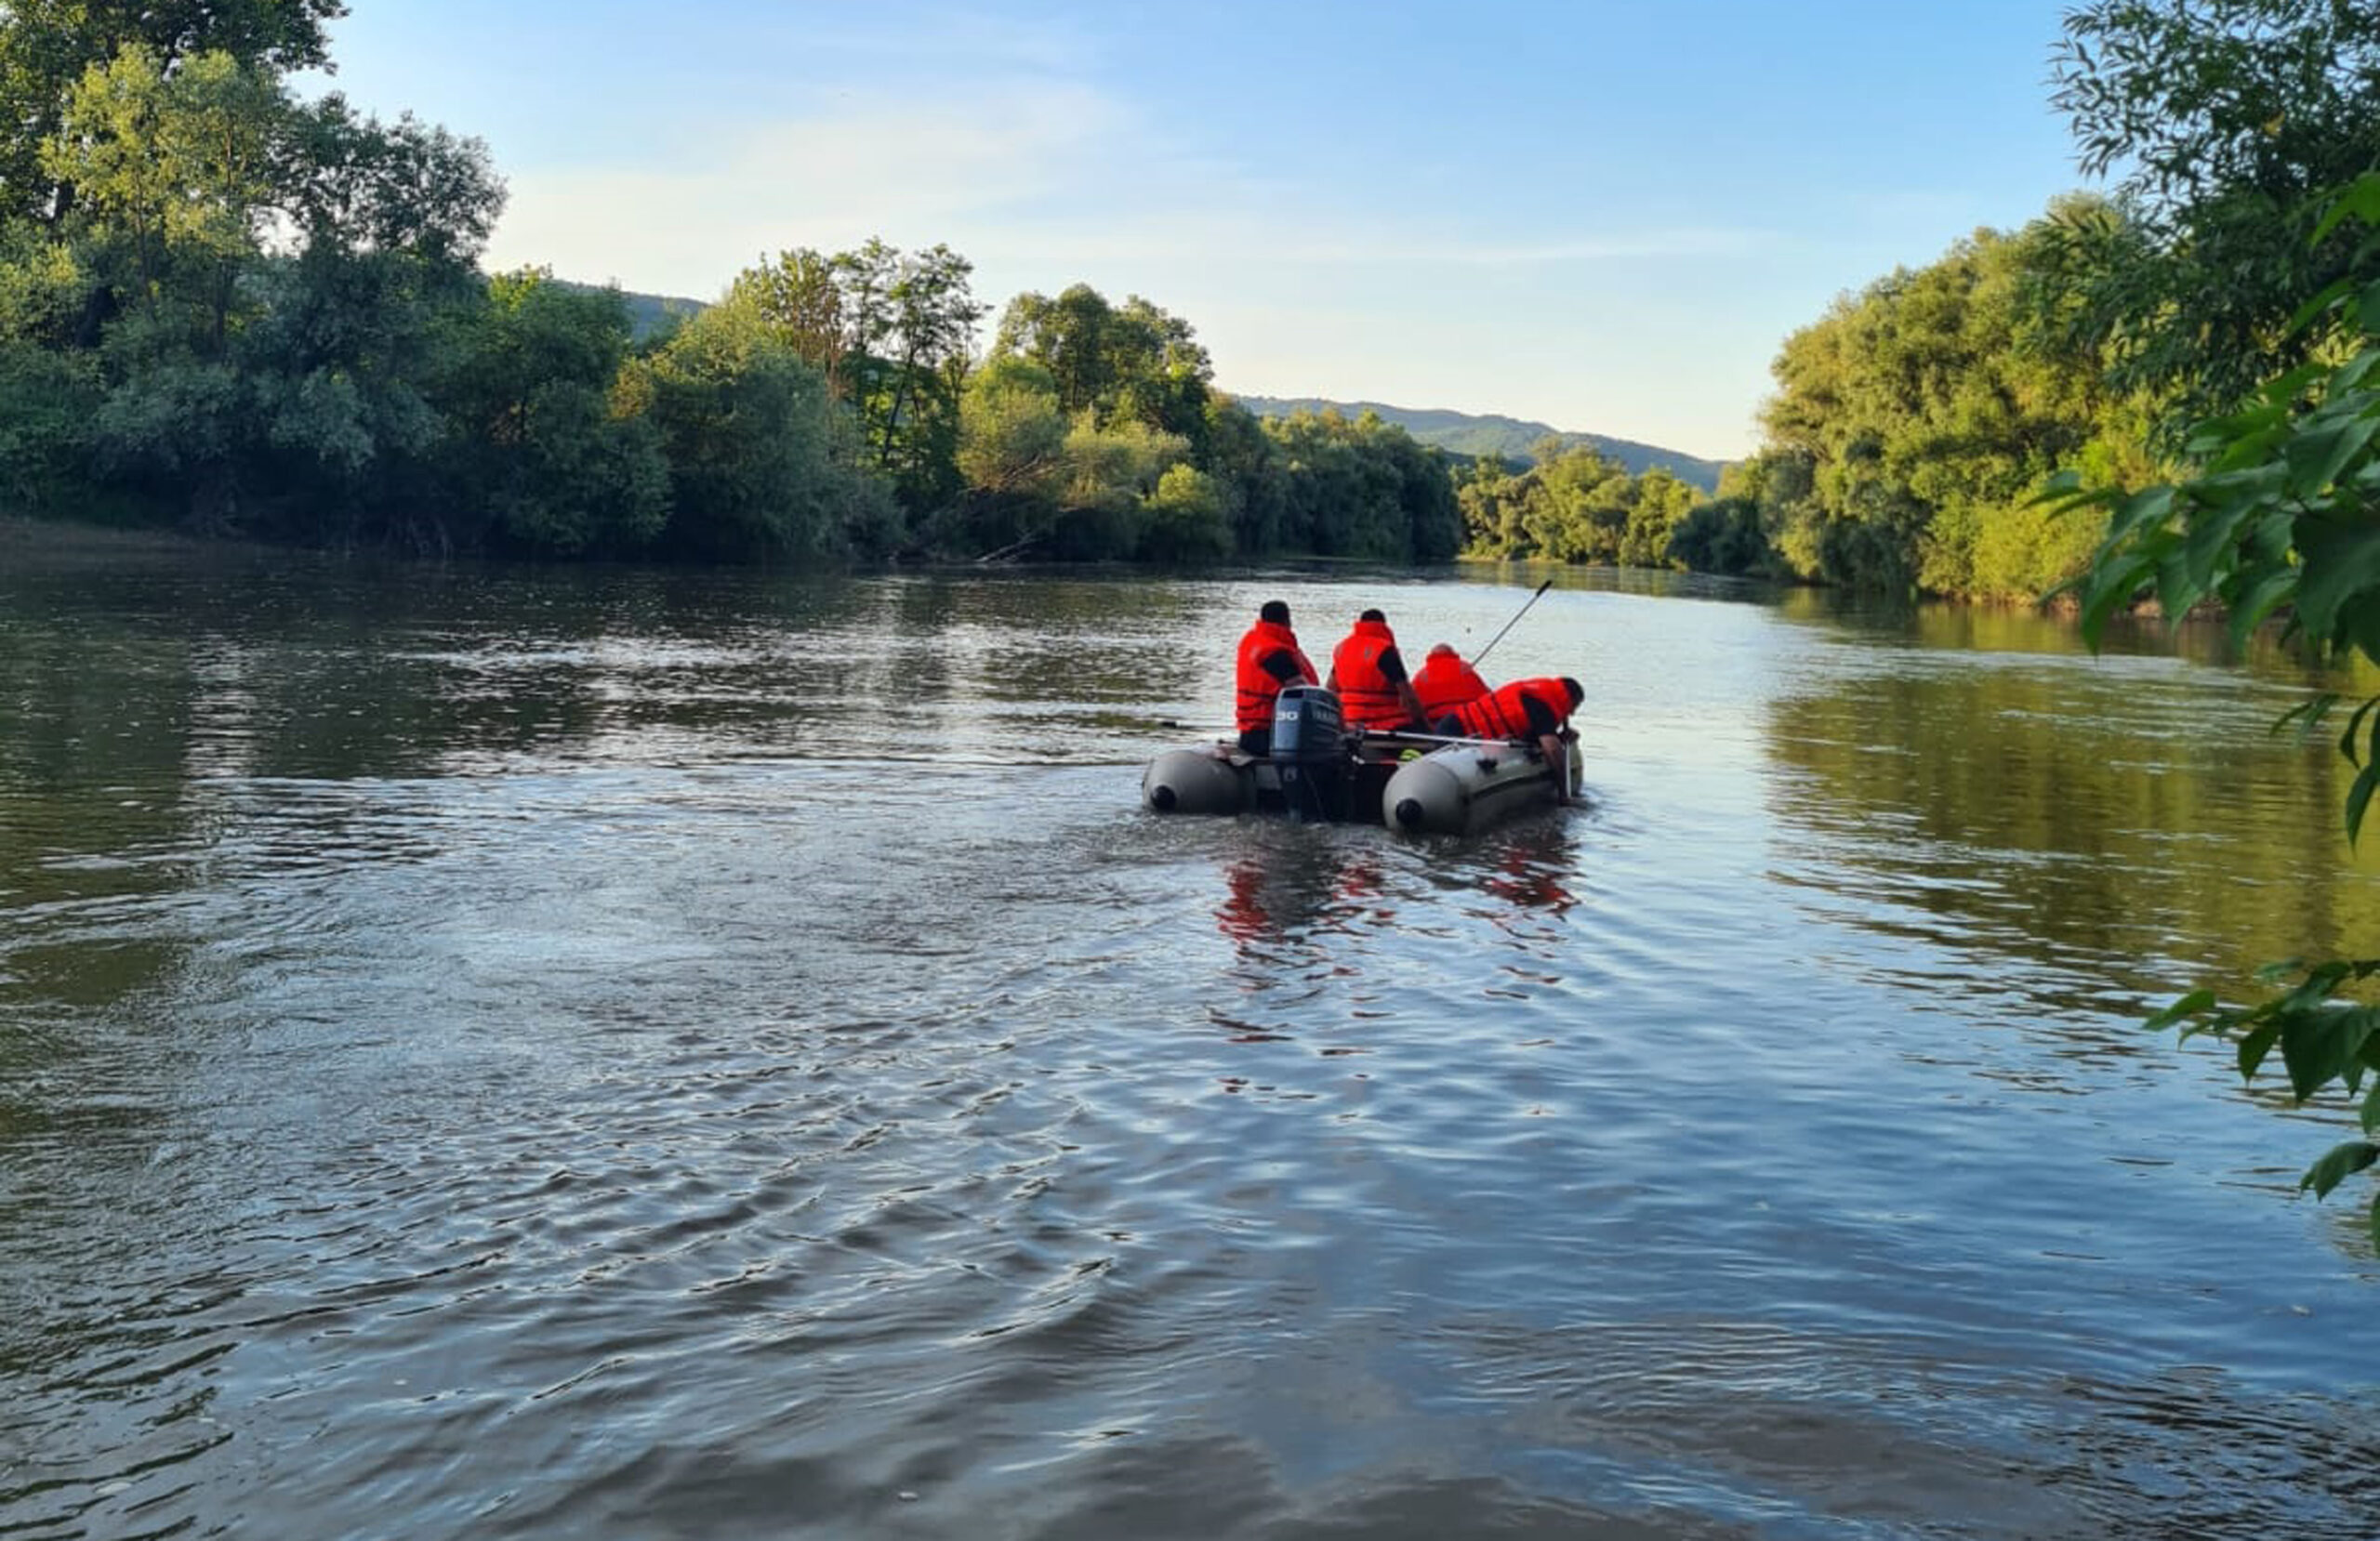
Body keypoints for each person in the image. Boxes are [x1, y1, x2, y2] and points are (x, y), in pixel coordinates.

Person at [1438, 676, 1585, 804]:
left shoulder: (1539, 695)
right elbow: (1552, 749)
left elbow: (1535, 738)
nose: (1572, 713)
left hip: (1455, 724)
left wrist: (1560, 737)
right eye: (1574, 707)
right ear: (1568, 699)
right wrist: (1564, 793)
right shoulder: (1542, 705)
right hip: (1457, 730)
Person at [1234, 599, 1317, 755]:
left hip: (1249, 729)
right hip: (1274, 731)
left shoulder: (1250, 641)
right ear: (1287, 621)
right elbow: (1301, 688)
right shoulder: (1274, 651)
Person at [1325, 608, 1427, 731]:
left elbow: (1330, 689)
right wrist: (1425, 724)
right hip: (1385, 723)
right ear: (1384, 626)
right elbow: (1408, 696)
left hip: (1349, 721)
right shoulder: (1385, 650)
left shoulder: (1342, 649)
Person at [1411, 642, 1488, 724]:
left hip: (1435, 722)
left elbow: (1411, 703)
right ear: (1453, 654)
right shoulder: (1466, 669)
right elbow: (1485, 696)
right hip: (1467, 719)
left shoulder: (1421, 675)